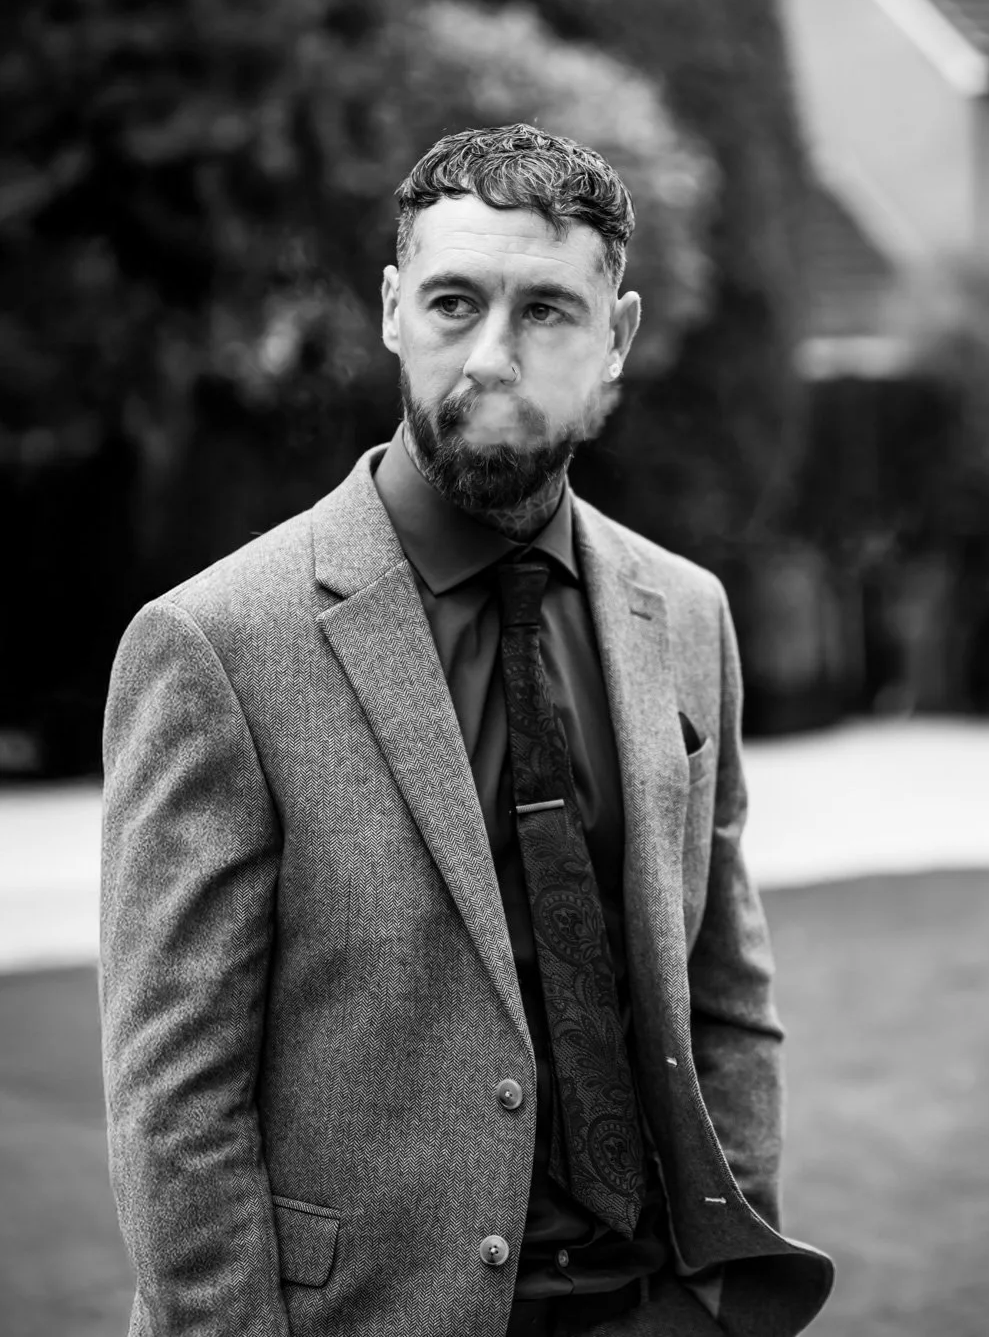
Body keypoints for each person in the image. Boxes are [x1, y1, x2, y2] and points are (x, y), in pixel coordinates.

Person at [100, 124, 834, 1337]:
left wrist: (714, 1295)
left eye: (546, 310)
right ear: (392, 311)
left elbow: (725, 991)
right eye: (453, 301)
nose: (491, 354)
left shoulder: (687, 614)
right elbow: (175, 1103)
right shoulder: (216, 644)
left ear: (617, 341)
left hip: (652, 1306)